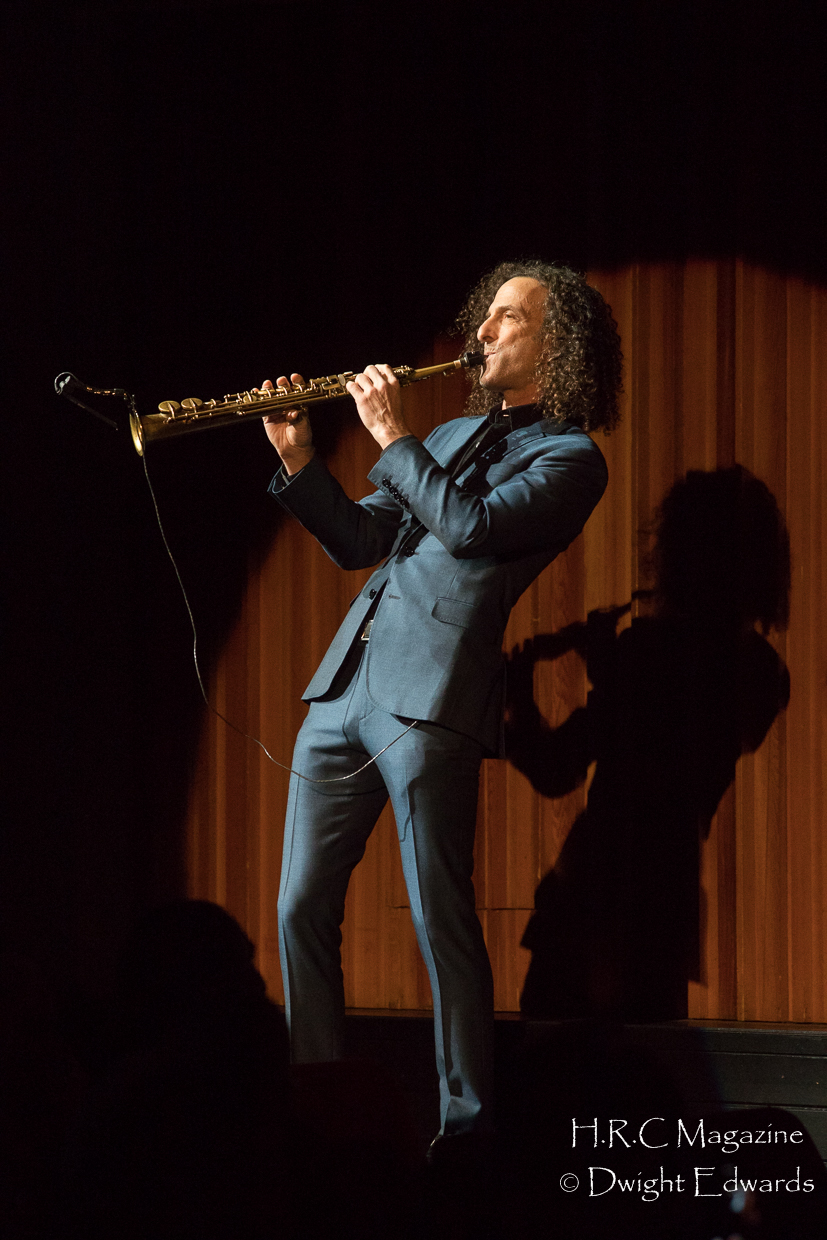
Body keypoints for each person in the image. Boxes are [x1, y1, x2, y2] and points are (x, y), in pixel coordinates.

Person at [262, 261, 623, 1143]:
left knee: (440, 919)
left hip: (431, 698)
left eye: (508, 318)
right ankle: (316, 1107)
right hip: (344, 688)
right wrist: (299, 457)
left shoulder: (571, 459)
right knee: (298, 908)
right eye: (485, 315)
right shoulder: (454, 433)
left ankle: (466, 1128)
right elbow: (359, 540)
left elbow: (471, 531)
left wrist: (391, 433)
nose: (483, 331)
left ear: (559, 345)